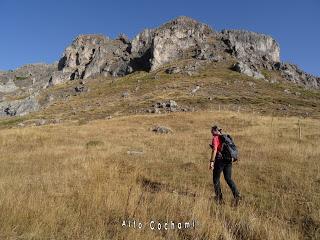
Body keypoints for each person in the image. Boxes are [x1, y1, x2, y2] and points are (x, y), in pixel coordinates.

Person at [209, 125, 241, 205]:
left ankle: (219, 199)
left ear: (216, 130)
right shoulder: (226, 137)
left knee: (216, 179)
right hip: (229, 160)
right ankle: (237, 196)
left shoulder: (215, 138)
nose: (211, 132)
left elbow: (214, 150)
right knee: (228, 178)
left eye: (212, 130)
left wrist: (212, 161)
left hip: (220, 161)